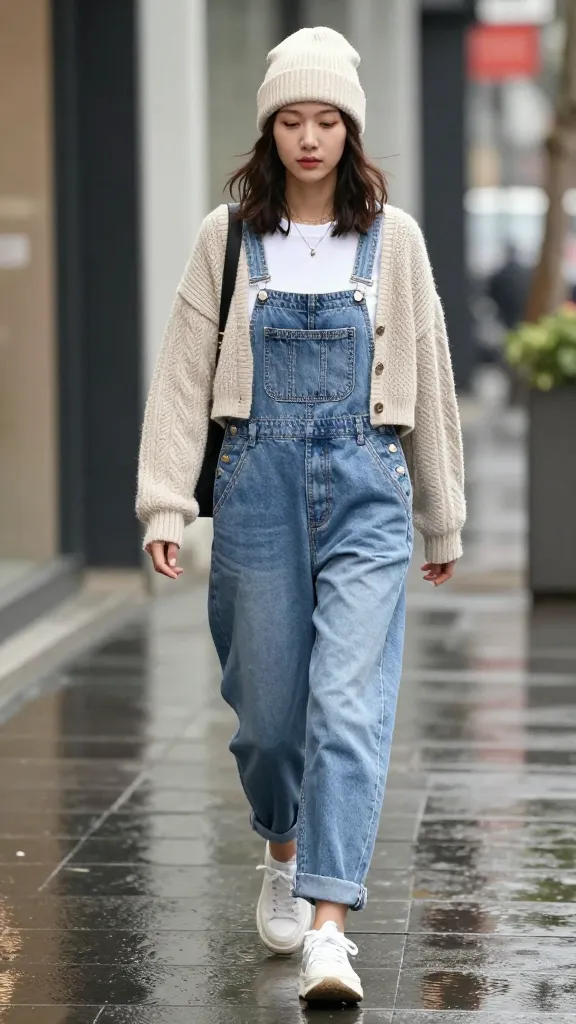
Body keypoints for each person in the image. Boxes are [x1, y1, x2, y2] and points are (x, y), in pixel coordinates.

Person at [136, 26, 466, 1007]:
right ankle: (283, 848)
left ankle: (330, 926)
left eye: (327, 120)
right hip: (256, 488)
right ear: (269, 130)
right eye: (292, 120)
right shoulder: (226, 237)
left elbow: (430, 373)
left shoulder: (395, 240)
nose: (310, 138)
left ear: (350, 130)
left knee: (349, 708)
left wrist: (441, 514)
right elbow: (182, 374)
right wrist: (165, 501)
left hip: (369, 487)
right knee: (272, 723)